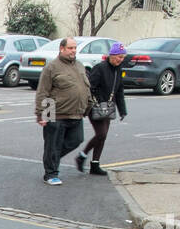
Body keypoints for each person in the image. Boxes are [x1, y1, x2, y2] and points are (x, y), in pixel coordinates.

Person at [35, 36, 92, 185]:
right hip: (56, 113)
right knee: (53, 143)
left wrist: (89, 104)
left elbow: (85, 87)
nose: (74, 51)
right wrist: (42, 114)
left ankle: (51, 158)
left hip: (76, 113)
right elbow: (43, 91)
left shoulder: (79, 65)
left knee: (76, 139)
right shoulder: (52, 67)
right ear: (62, 49)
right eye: (70, 48)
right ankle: (51, 174)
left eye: (75, 48)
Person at [77, 42, 128, 176]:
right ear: (112, 55)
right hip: (96, 106)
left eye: (123, 57)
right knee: (101, 134)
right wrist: (95, 101)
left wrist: (122, 110)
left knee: (102, 137)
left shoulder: (119, 70)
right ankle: (82, 156)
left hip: (108, 107)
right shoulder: (100, 68)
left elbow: (119, 91)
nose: (120, 60)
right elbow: (89, 87)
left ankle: (95, 164)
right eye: (119, 57)